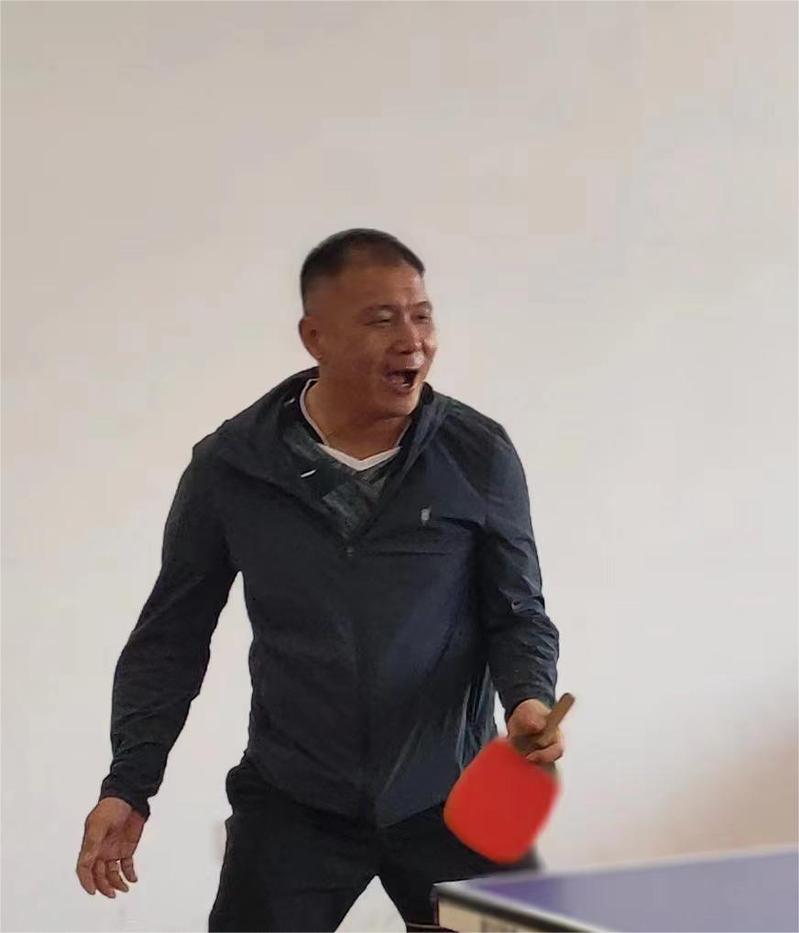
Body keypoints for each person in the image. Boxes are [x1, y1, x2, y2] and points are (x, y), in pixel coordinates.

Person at [75, 228, 563, 932]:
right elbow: (171, 637)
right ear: (315, 337)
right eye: (381, 319)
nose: (412, 340)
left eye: (422, 315)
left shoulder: (476, 453)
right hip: (294, 801)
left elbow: (517, 612)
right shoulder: (232, 467)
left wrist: (527, 696)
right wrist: (130, 782)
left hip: (453, 796)